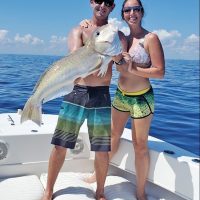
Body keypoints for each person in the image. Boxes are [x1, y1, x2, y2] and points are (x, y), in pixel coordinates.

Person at [42, 1, 127, 200]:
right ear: (91, 2)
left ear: (112, 7)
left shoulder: (118, 36)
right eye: (99, 0)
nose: (102, 5)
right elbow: (73, 57)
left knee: (101, 149)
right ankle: (48, 190)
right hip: (76, 92)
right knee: (60, 145)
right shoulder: (78, 30)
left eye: (108, 2)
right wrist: (91, 40)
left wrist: (117, 57)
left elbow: (123, 68)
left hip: (102, 95)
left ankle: (100, 191)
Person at [83, 0, 165, 200]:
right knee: (112, 136)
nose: (132, 13)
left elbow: (160, 72)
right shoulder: (122, 39)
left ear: (142, 12)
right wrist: (87, 24)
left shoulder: (150, 38)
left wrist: (133, 68)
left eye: (136, 9)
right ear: (123, 14)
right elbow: (100, 39)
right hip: (121, 95)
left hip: (141, 98)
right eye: (127, 10)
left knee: (140, 145)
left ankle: (140, 192)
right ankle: (98, 174)